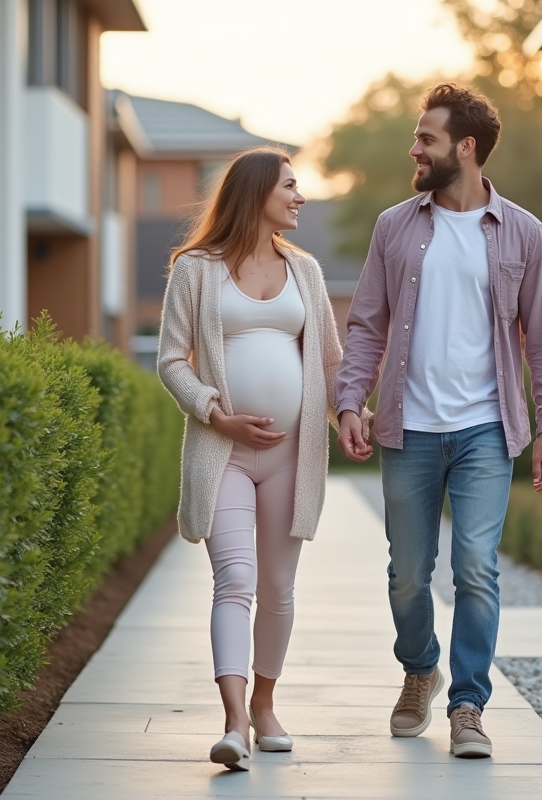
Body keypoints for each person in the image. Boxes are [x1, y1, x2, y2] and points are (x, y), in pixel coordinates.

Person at [335, 83, 542, 758]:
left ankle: (468, 706)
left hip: (485, 431)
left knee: (476, 567)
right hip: (408, 429)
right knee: (408, 574)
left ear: (465, 149)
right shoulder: (395, 227)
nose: (415, 148)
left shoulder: (522, 232)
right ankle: (420, 670)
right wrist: (350, 401)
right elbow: (367, 324)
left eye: (426, 138)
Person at [157, 146, 353, 772]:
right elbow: (171, 360)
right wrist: (217, 413)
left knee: (277, 586)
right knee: (235, 582)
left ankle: (266, 705)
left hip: (291, 457)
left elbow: (328, 363)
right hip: (225, 453)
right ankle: (235, 720)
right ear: (257, 192)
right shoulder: (195, 268)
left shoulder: (307, 271)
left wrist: (351, 415)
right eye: (291, 186)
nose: (301, 197)